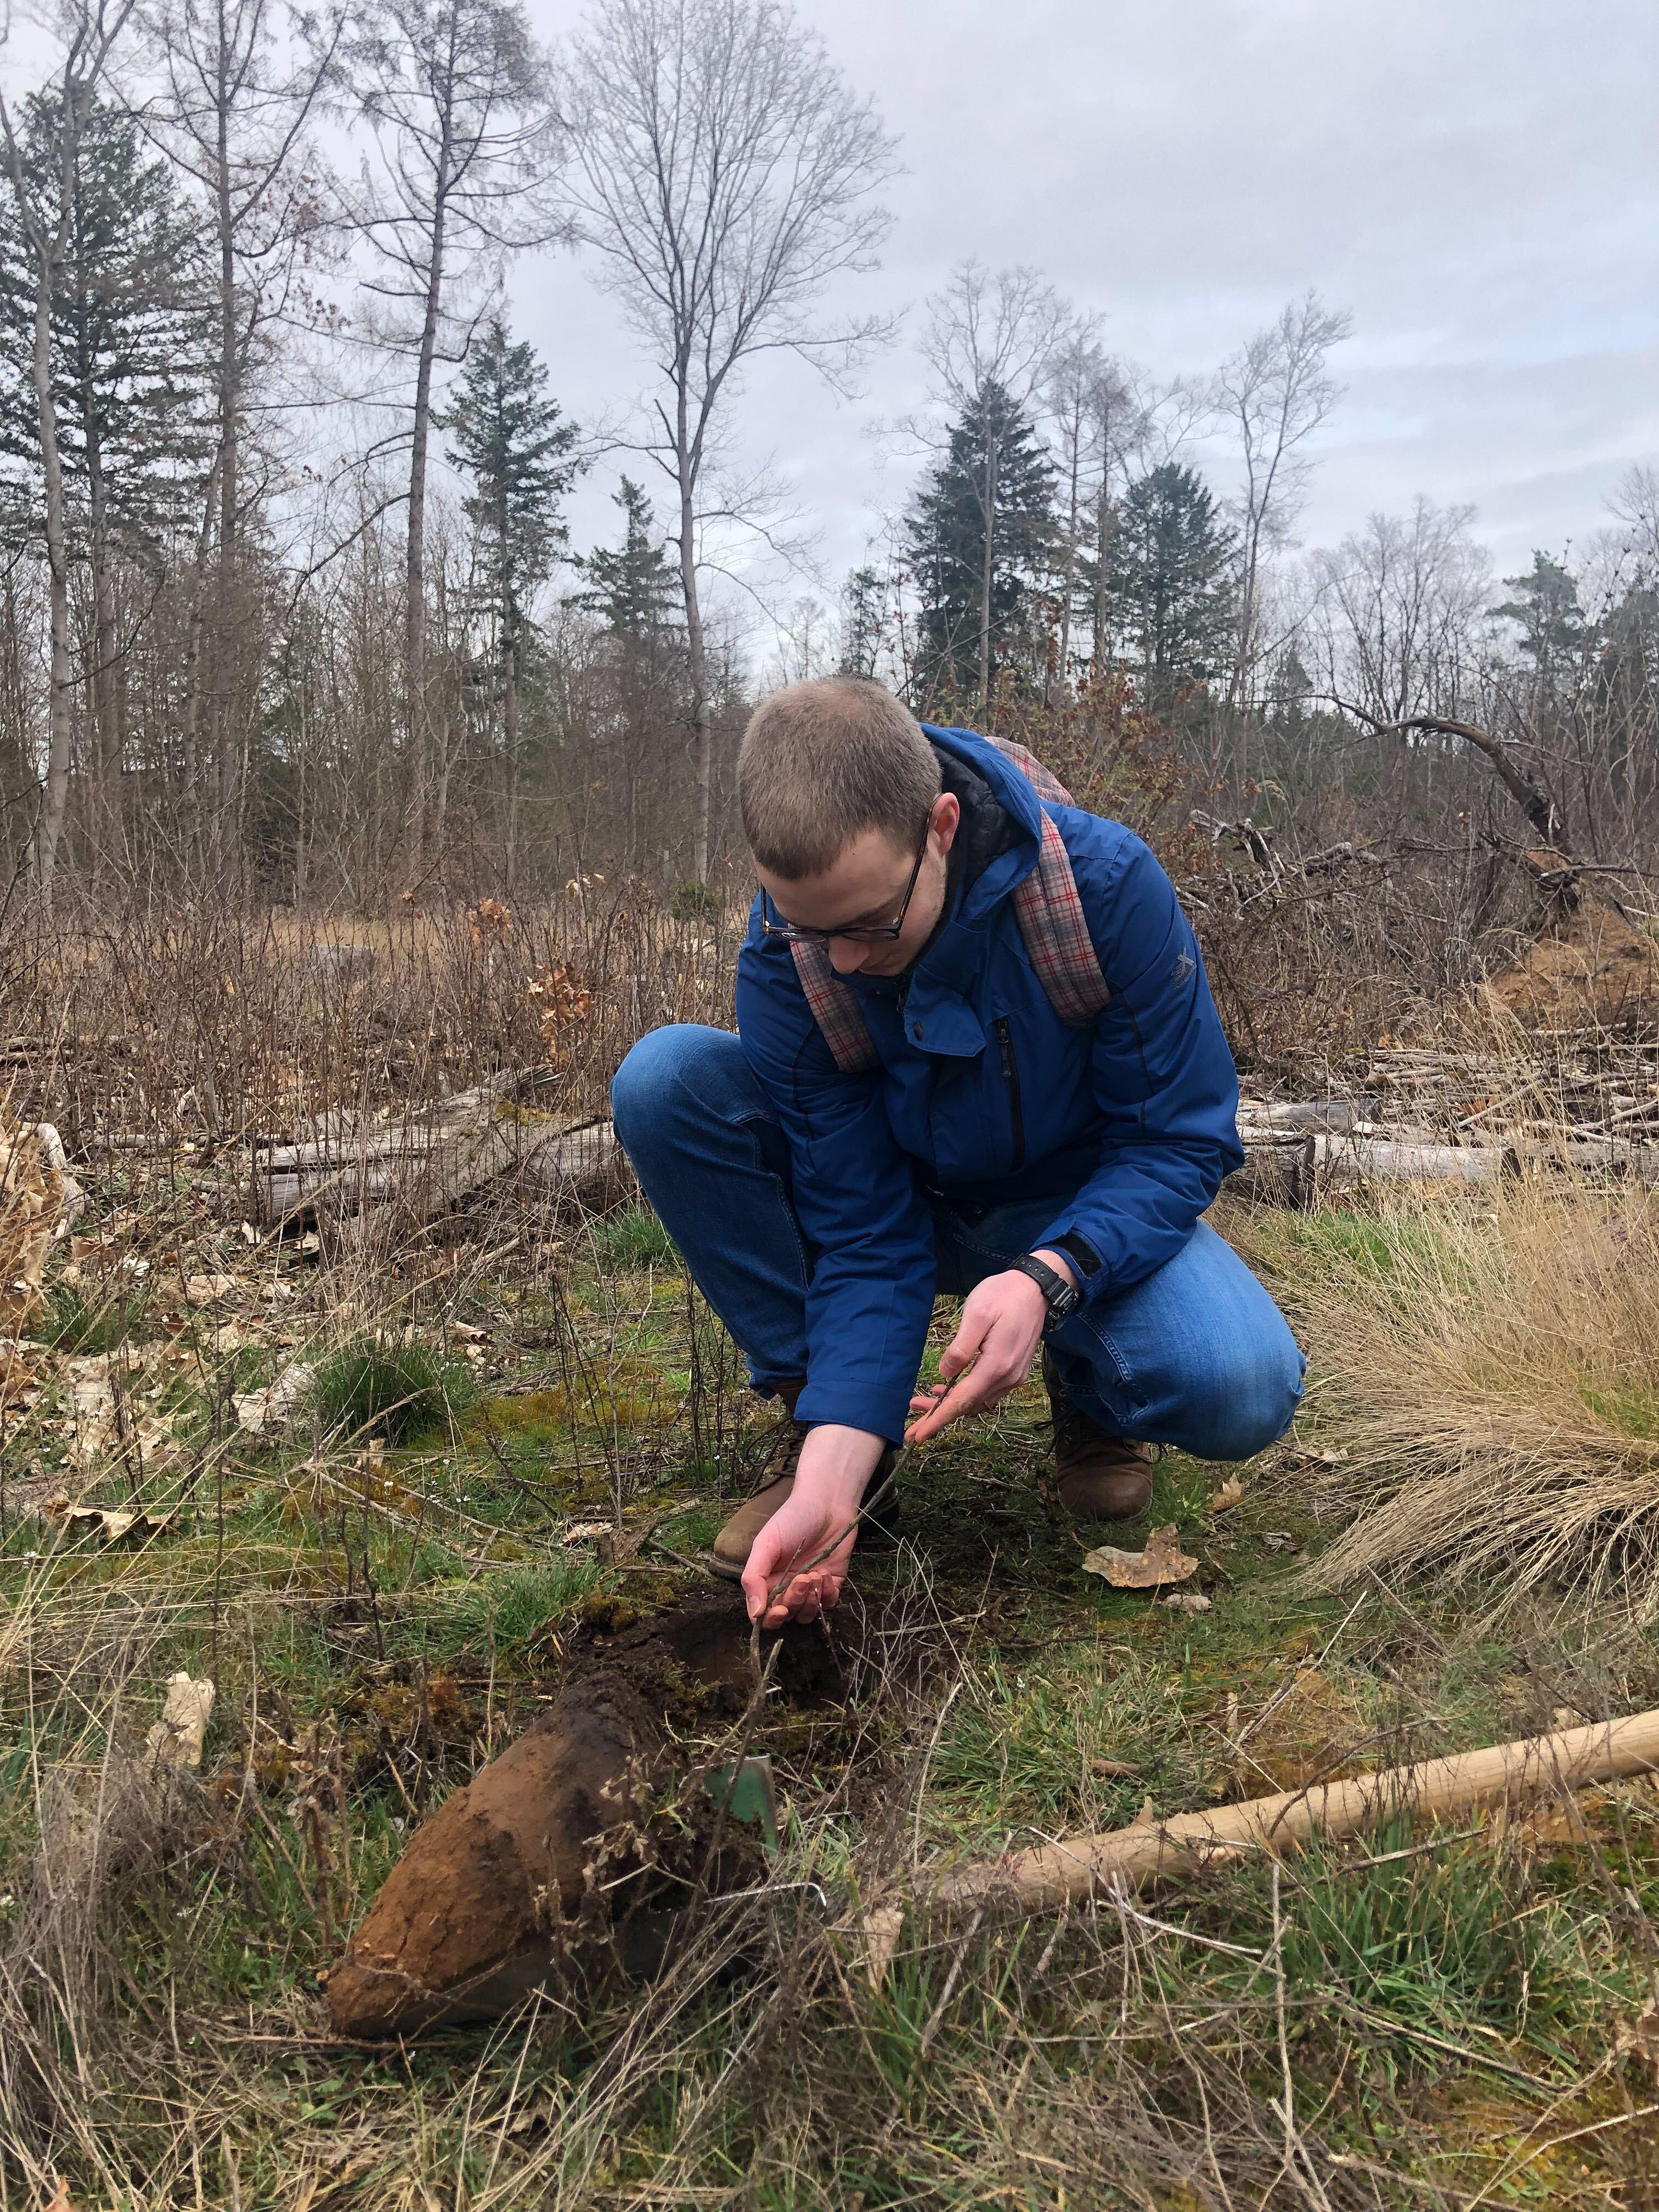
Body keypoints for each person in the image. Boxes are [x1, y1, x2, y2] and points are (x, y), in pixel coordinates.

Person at [611, 679, 1304, 1630]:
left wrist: (1053, 1275)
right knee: (667, 1078)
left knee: (1241, 1385)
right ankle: (839, 1440)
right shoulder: (791, 954)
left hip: (1071, 1207)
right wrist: (833, 1466)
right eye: (812, 928)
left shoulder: (1102, 890)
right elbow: (861, 1227)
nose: (841, 961)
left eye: (869, 925)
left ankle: (1091, 1389)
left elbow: (1176, 1140)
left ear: (941, 826)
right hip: (912, 1198)